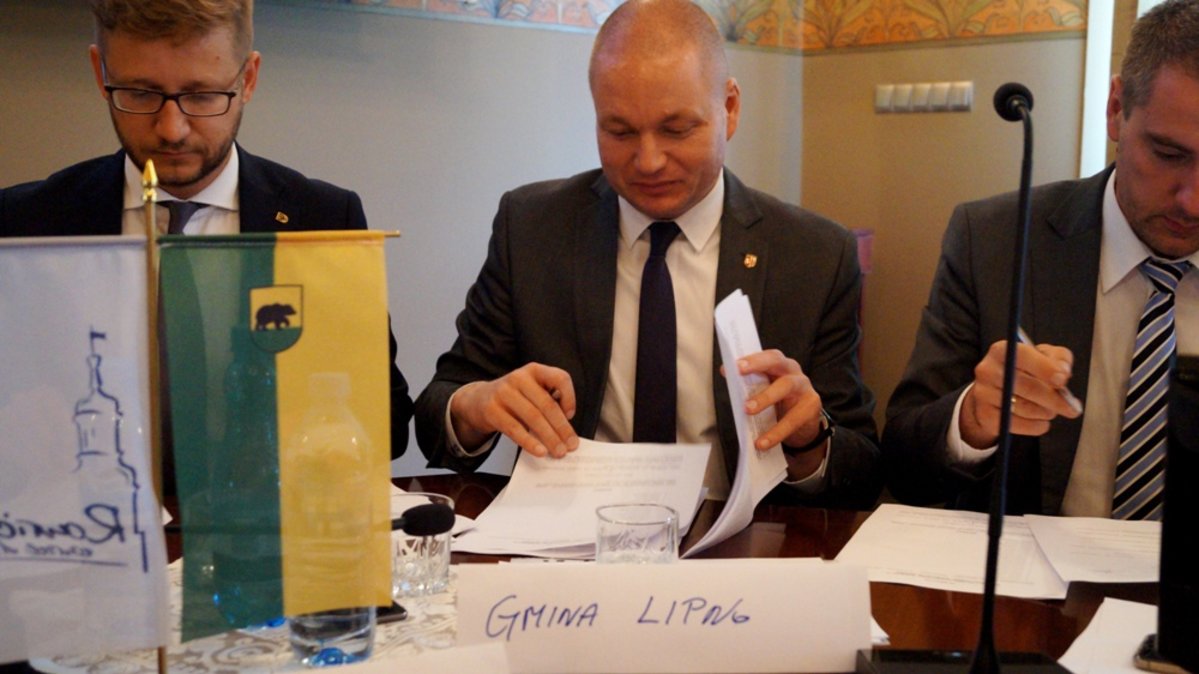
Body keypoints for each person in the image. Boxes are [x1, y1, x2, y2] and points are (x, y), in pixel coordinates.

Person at [415, 0, 880, 509]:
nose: (649, 161)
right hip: (571, 532)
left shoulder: (813, 254)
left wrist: (809, 440)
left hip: (740, 537)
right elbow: (437, 417)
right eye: (620, 132)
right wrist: (477, 405)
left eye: (676, 129)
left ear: (729, 109)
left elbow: (862, 470)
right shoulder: (532, 228)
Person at [0, 0, 414, 458]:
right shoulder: (24, 225)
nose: (172, 130)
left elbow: (388, 424)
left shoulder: (323, 218)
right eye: (140, 94)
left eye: (202, 96)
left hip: (261, 499)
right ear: (101, 73)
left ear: (248, 79)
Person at [883, 0, 1199, 519]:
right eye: (1168, 155)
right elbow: (903, 465)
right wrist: (973, 418)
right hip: (1029, 569)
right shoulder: (997, 240)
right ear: (1115, 108)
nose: (1192, 201)